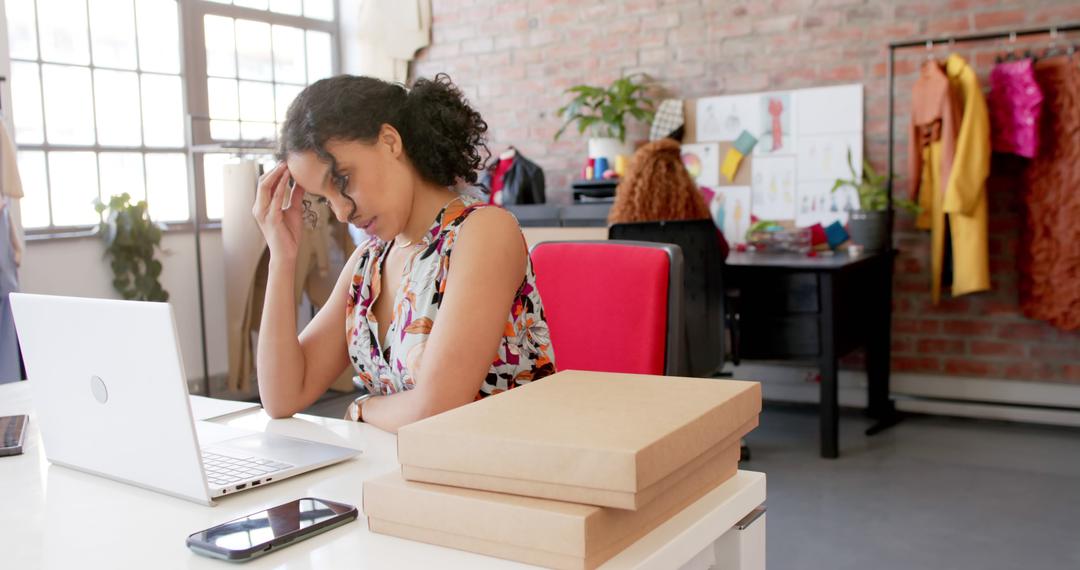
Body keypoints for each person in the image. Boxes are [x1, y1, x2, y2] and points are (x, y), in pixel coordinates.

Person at [253, 74, 556, 433]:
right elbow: (282, 397)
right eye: (323, 198)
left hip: (498, 477)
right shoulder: (368, 264)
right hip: (401, 477)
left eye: (343, 180)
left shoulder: (483, 232)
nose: (341, 212)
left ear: (389, 141)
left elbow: (434, 410)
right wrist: (282, 257)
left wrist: (362, 408)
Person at [608, 138, 730, 258]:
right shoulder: (698, 214)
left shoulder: (624, 221)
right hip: (690, 278)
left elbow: (618, 261)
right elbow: (723, 252)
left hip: (644, 278)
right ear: (683, 174)